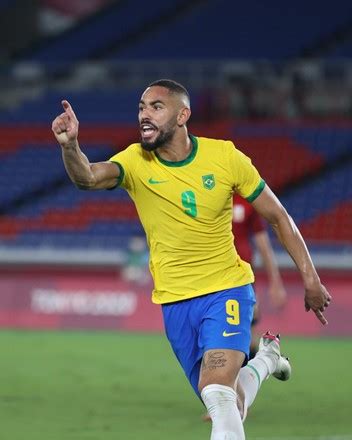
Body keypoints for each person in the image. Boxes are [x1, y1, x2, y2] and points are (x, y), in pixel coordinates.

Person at [52, 79, 331, 440]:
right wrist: (71, 146)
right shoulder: (135, 161)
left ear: (183, 115)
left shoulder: (225, 157)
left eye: (156, 107)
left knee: (217, 394)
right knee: (231, 403)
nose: (144, 115)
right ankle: (266, 360)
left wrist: (310, 279)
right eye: (141, 107)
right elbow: (87, 178)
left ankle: (263, 360)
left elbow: (279, 217)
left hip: (227, 289)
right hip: (175, 302)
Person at [232, 194, 287, 358]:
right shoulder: (210, 196)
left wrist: (276, 283)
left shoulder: (247, 202)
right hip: (215, 275)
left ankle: (248, 373)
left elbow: (263, 245)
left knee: (249, 338)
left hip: (243, 276)